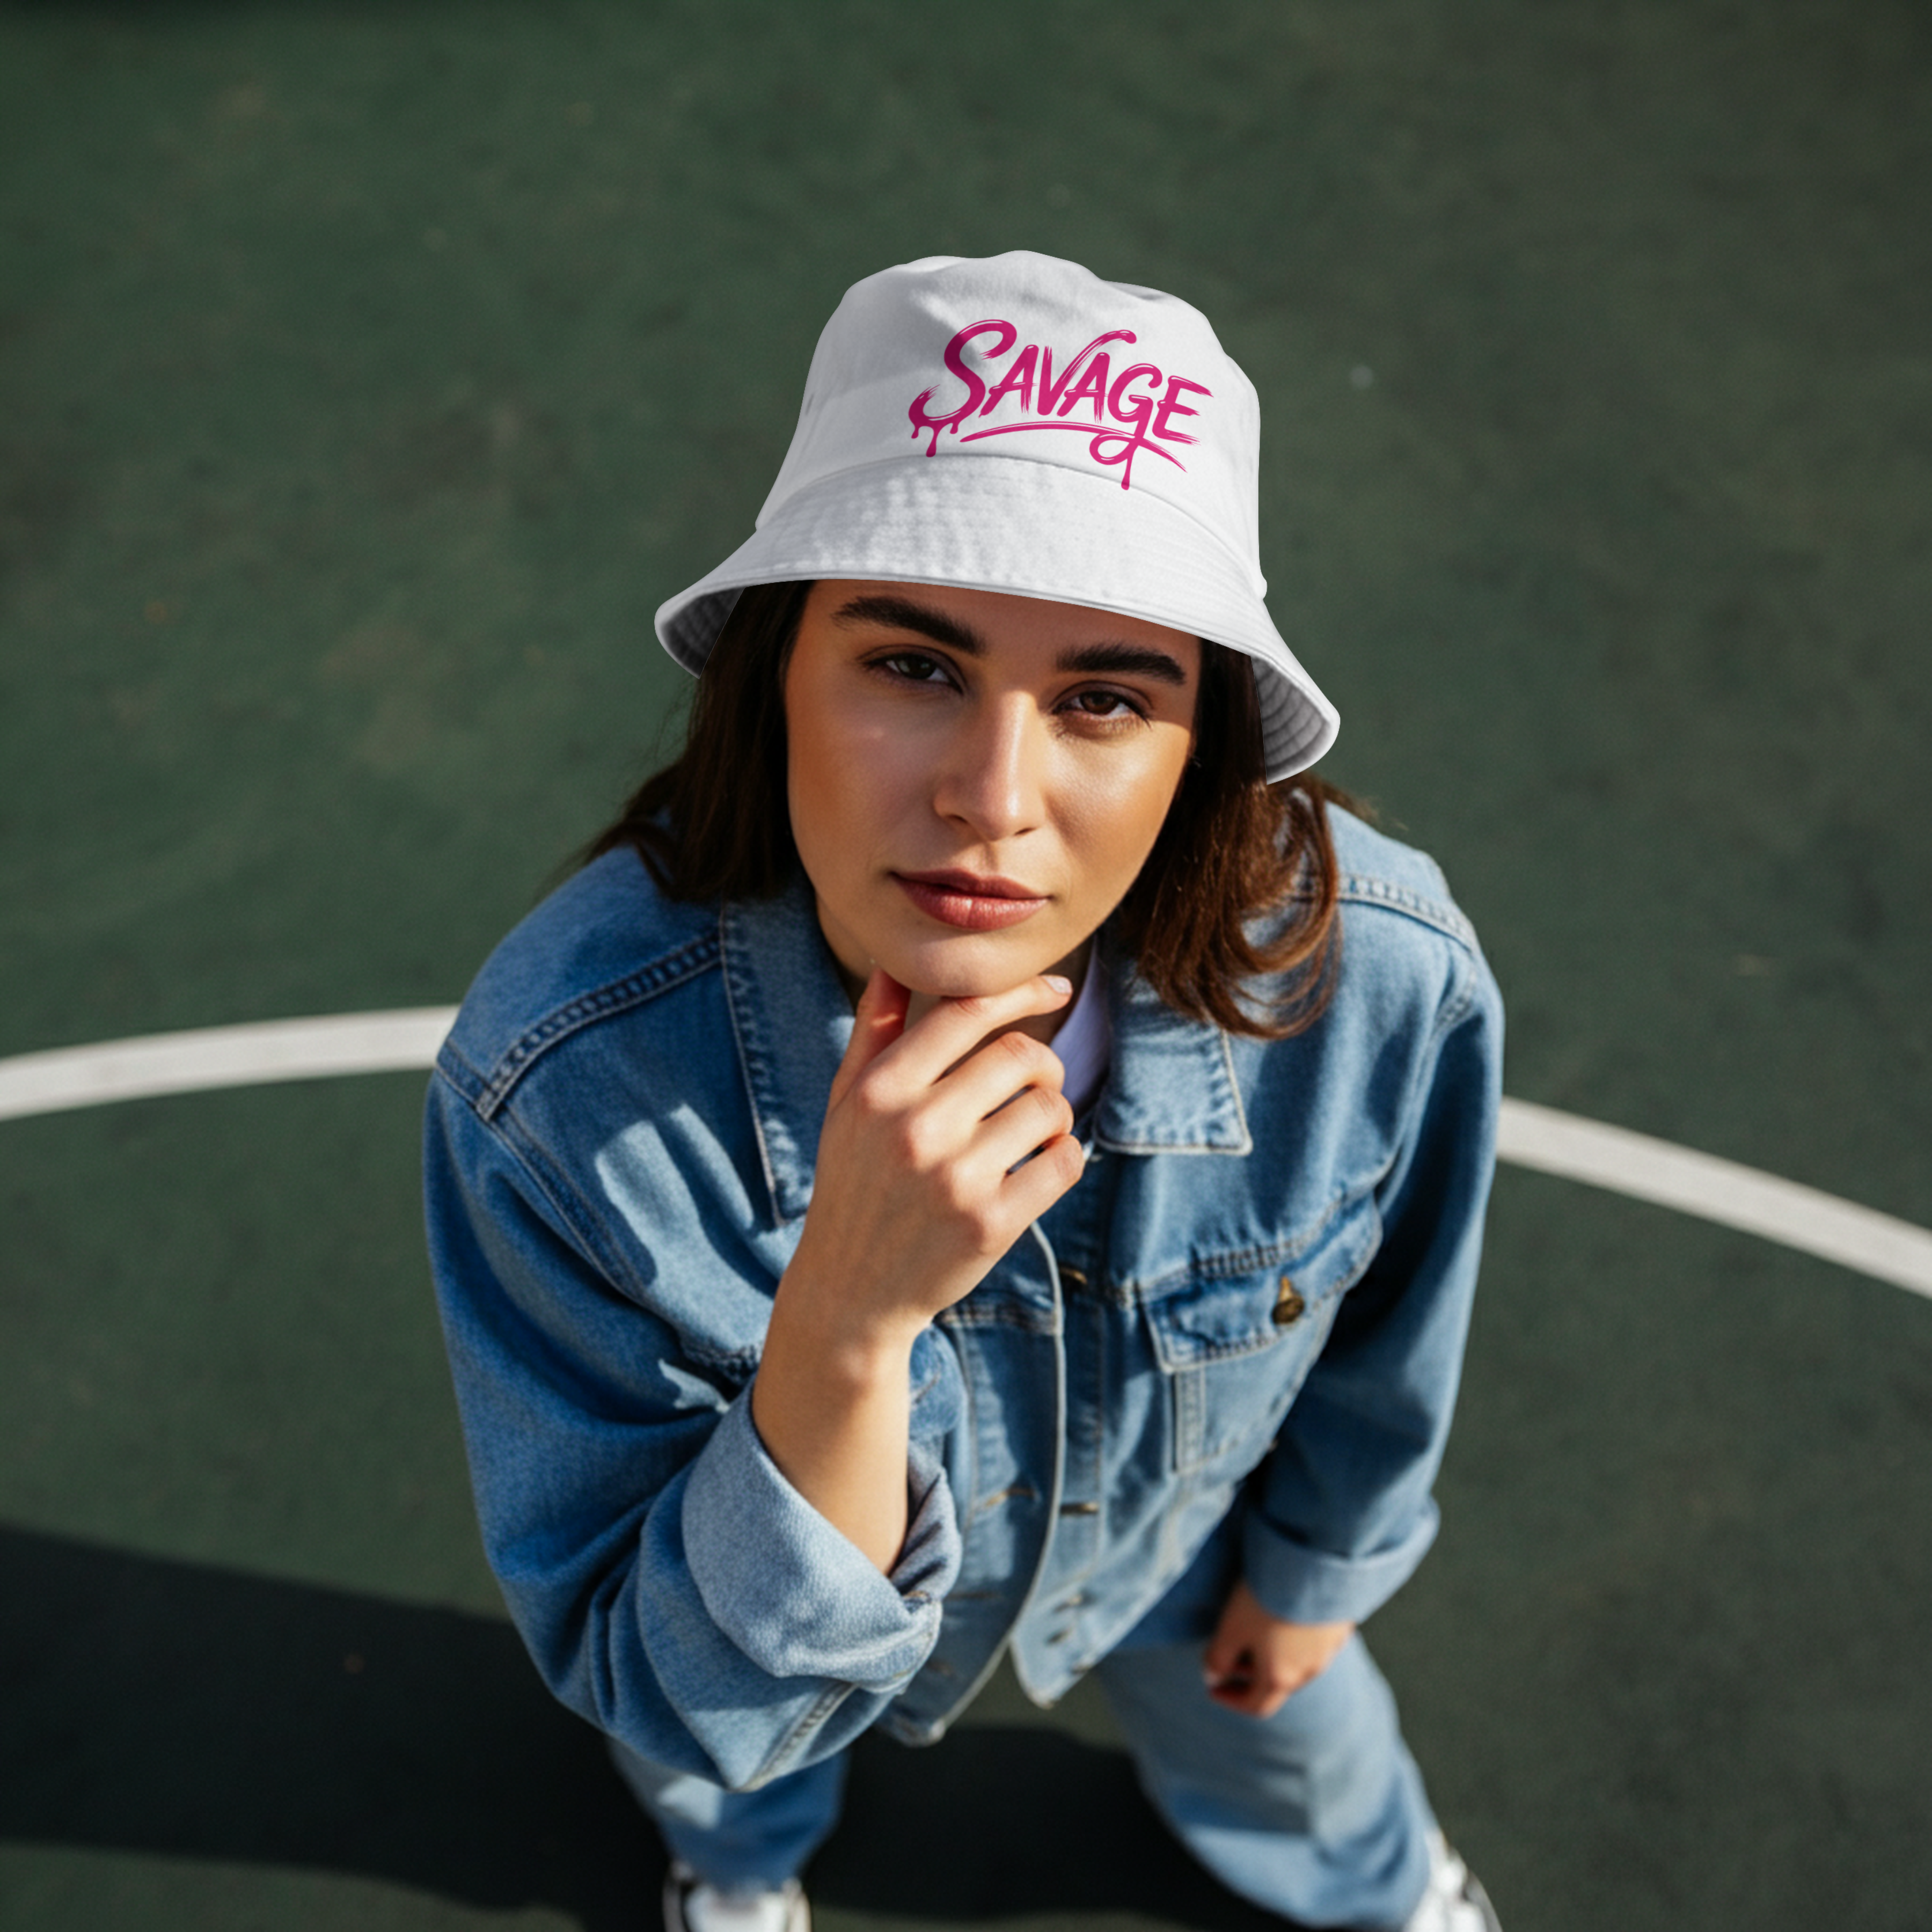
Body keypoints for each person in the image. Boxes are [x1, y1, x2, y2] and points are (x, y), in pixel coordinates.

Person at [423, 252, 1504, 1932]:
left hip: (1168, 1558)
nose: (992, 799)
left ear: (1199, 748)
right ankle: (740, 1873)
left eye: (1103, 696)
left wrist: (1316, 1577)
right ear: (774, 669)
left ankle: (1378, 1889)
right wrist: (845, 1324)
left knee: (1301, 1748)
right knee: (738, 1776)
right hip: (752, 1635)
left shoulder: (1380, 976)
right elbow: (673, 1680)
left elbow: (1398, 1326)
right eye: (915, 665)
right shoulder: (560, 1091)